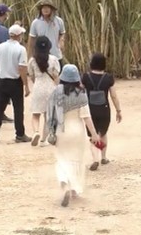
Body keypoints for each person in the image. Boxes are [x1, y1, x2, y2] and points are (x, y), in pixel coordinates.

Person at [45, 64, 101, 207]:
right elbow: (87, 117)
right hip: (77, 131)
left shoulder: (56, 92)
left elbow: (50, 115)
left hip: (61, 131)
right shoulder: (80, 93)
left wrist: (49, 131)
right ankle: (74, 188)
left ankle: (64, 185)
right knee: (76, 160)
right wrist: (94, 134)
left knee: (62, 159)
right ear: (77, 78)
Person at [0, 24, 32, 143]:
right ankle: (20, 134)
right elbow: (22, 68)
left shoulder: (1, 46)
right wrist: (26, 85)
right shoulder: (21, 49)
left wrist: (5, 70)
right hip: (15, 81)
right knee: (18, 108)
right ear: (19, 35)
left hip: (2, 80)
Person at [81, 53, 122, 170]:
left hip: (90, 110)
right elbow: (113, 96)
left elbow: (79, 91)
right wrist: (118, 110)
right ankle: (103, 157)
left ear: (92, 63)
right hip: (104, 109)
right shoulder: (108, 78)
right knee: (102, 133)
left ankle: (95, 159)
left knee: (93, 135)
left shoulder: (85, 77)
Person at [28, 35, 60, 146]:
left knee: (35, 114)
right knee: (48, 115)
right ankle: (43, 140)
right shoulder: (53, 59)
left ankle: (36, 132)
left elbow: (31, 75)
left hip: (38, 87)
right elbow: (56, 76)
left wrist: (36, 82)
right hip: (50, 88)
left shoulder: (32, 60)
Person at [28, 0, 66, 65]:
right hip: (41, 56)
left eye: (47, 8)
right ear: (41, 10)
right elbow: (31, 40)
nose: (45, 10)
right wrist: (29, 56)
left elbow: (62, 32)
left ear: (51, 9)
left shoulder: (58, 21)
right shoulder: (36, 22)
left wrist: (61, 40)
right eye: (43, 8)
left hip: (56, 55)